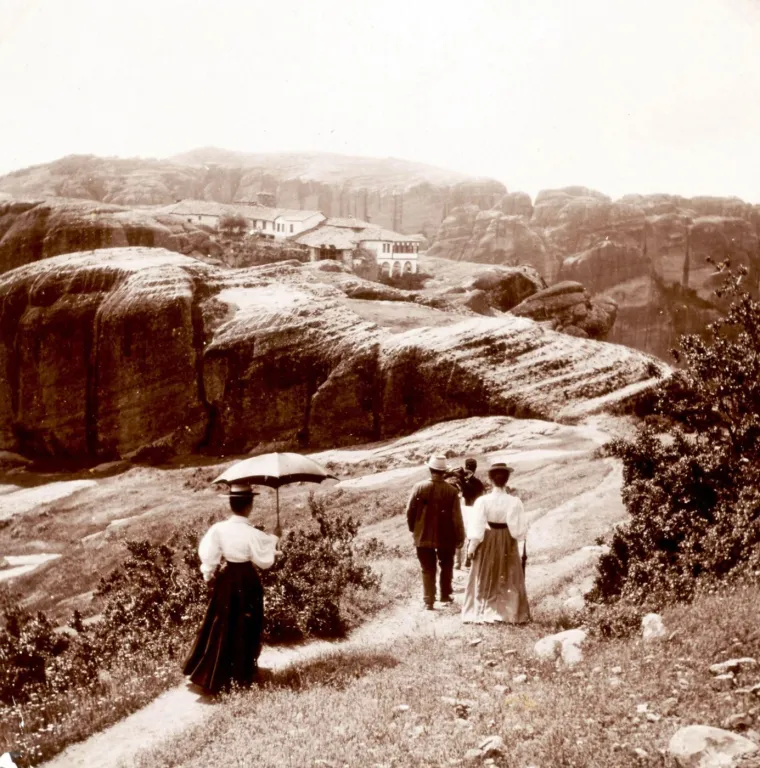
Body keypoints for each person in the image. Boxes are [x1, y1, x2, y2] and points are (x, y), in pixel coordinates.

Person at [183, 483, 279, 695]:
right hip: (247, 580)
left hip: (227, 579)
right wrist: (274, 542)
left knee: (221, 624)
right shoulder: (251, 533)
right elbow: (264, 562)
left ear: (232, 504)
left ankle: (212, 673)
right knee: (246, 624)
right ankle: (242, 672)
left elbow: (209, 555)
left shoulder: (218, 529)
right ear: (249, 505)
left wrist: (208, 574)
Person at [462, 462, 530, 624]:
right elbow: (519, 531)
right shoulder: (514, 502)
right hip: (507, 540)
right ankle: (508, 612)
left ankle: (483, 611)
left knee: (485, 573)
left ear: (490, 480)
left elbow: (477, 527)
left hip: (488, 538)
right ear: (506, 480)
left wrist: (472, 547)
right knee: (508, 574)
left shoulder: (483, 501)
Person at [406, 454, 465, 610]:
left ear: (430, 469)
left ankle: (429, 601)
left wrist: (414, 529)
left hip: (423, 534)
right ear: (444, 471)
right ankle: (445, 595)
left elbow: (410, 511)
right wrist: (460, 536)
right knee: (447, 564)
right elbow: (456, 517)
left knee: (427, 567)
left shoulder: (418, 487)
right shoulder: (451, 491)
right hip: (446, 535)